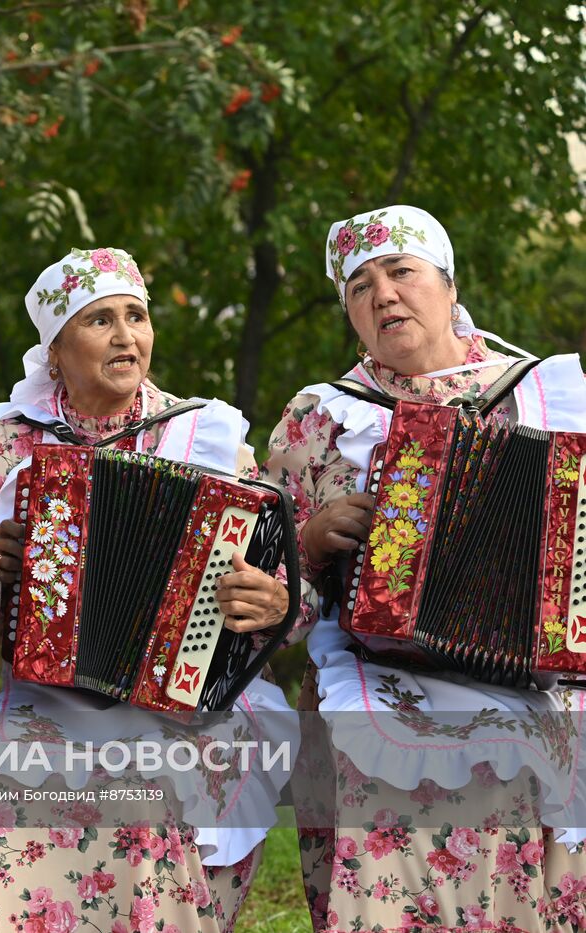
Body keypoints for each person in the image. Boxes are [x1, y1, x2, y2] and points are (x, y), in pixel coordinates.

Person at [264, 204, 586, 931]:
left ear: (447, 282)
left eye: (401, 272)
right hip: (373, 678)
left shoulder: (546, 396)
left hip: (537, 686)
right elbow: (271, 603)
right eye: (359, 287)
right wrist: (309, 541)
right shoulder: (320, 418)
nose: (383, 294)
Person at [0, 247, 297, 933]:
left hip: (185, 696)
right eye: (99, 320)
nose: (125, 336)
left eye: (136, 316)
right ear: (55, 351)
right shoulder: (11, 441)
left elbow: (283, 594)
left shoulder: (208, 434)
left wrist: (274, 601)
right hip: (52, 690)